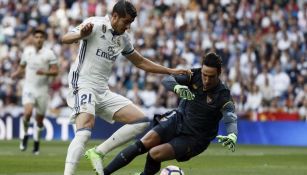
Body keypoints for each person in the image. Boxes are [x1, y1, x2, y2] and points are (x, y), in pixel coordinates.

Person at [61, 1, 191, 175]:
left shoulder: (123, 39)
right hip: (83, 84)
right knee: (84, 131)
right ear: (114, 16)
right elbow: (65, 38)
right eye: (126, 22)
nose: (128, 27)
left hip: (102, 90)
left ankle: (98, 152)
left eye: (130, 23)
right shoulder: (96, 25)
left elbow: (141, 62)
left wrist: (170, 70)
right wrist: (80, 35)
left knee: (141, 121)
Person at [102, 52, 238, 175]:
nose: (206, 80)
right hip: (178, 120)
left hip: (195, 138)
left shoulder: (223, 95)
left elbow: (230, 117)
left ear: (219, 73)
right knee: (143, 143)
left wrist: (233, 134)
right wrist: (177, 87)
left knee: (154, 154)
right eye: (204, 75)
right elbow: (167, 80)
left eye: (211, 77)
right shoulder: (194, 75)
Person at [11, 29, 59, 155]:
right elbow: (22, 68)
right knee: (27, 113)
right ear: (33, 38)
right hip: (29, 88)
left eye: (40, 37)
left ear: (44, 39)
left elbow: (55, 71)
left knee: (39, 121)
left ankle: (36, 143)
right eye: (36, 37)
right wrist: (16, 74)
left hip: (43, 90)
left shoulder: (49, 54)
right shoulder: (27, 52)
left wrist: (45, 72)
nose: (38, 39)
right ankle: (25, 135)